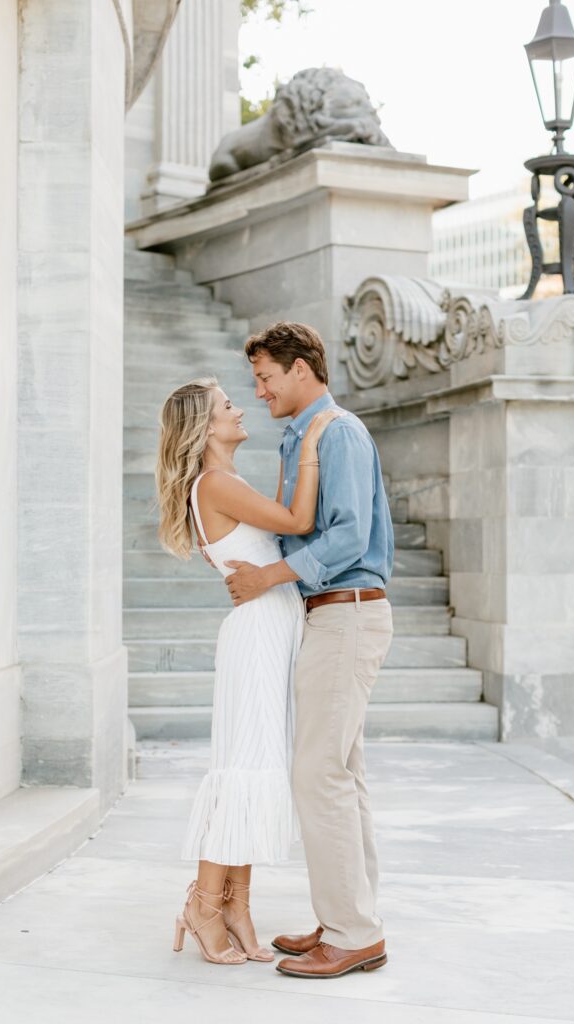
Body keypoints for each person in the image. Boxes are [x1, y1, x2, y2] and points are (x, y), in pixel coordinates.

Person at [224, 322, 395, 979]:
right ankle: (350, 921)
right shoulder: (306, 436)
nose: (260, 390)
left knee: (317, 774)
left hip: (346, 615)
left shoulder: (339, 432)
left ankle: (352, 932)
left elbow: (348, 537)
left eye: (266, 377)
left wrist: (267, 577)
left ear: (302, 369)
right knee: (339, 776)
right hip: (331, 617)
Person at [156, 376, 339, 966]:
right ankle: (205, 905)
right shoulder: (214, 483)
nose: (239, 410)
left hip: (269, 628)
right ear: (205, 428)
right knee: (244, 769)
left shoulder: (225, 480)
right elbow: (298, 520)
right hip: (258, 634)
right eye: (227, 406)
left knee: (258, 768)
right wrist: (309, 441)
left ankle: (236, 903)